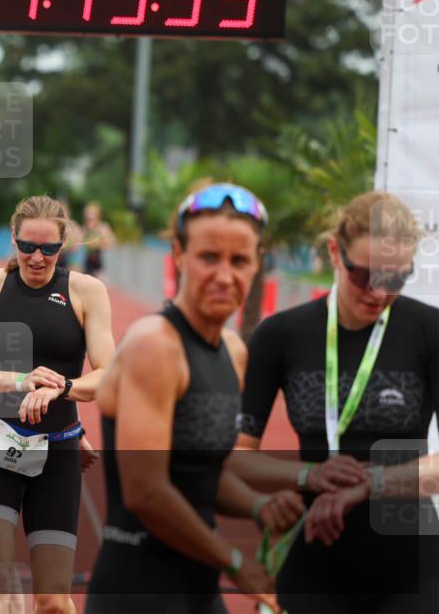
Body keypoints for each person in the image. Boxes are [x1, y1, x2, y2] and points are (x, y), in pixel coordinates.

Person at [89, 183, 301, 614]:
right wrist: (236, 562)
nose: (225, 275)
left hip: (199, 589)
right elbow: (146, 491)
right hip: (139, 592)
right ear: (180, 255)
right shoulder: (156, 345)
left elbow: (198, 471)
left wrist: (260, 506)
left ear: (257, 264)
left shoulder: (233, 351)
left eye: (239, 260)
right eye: (209, 257)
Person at [229, 191, 439, 614]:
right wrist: (307, 475)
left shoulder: (429, 331)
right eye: (365, 275)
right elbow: (236, 457)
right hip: (313, 559)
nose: (379, 292)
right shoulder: (281, 336)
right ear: (334, 253)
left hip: (410, 565)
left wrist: (370, 484)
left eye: (396, 279)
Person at [0, 195, 114, 614]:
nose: (37, 257)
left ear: (63, 247)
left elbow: (107, 374)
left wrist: (63, 387)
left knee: (52, 601)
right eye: (27, 246)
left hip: (57, 450)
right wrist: (19, 381)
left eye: (48, 249)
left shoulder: (86, 291)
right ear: (13, 240)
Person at [81, 202, 115, 281]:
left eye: (92, 213)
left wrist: (99, 242)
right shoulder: (84, 229)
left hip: (101, 262)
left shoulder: (103, 227)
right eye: (88, 213)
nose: (89, 215)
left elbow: (111, 242)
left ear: (98, 215)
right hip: (87, 262)